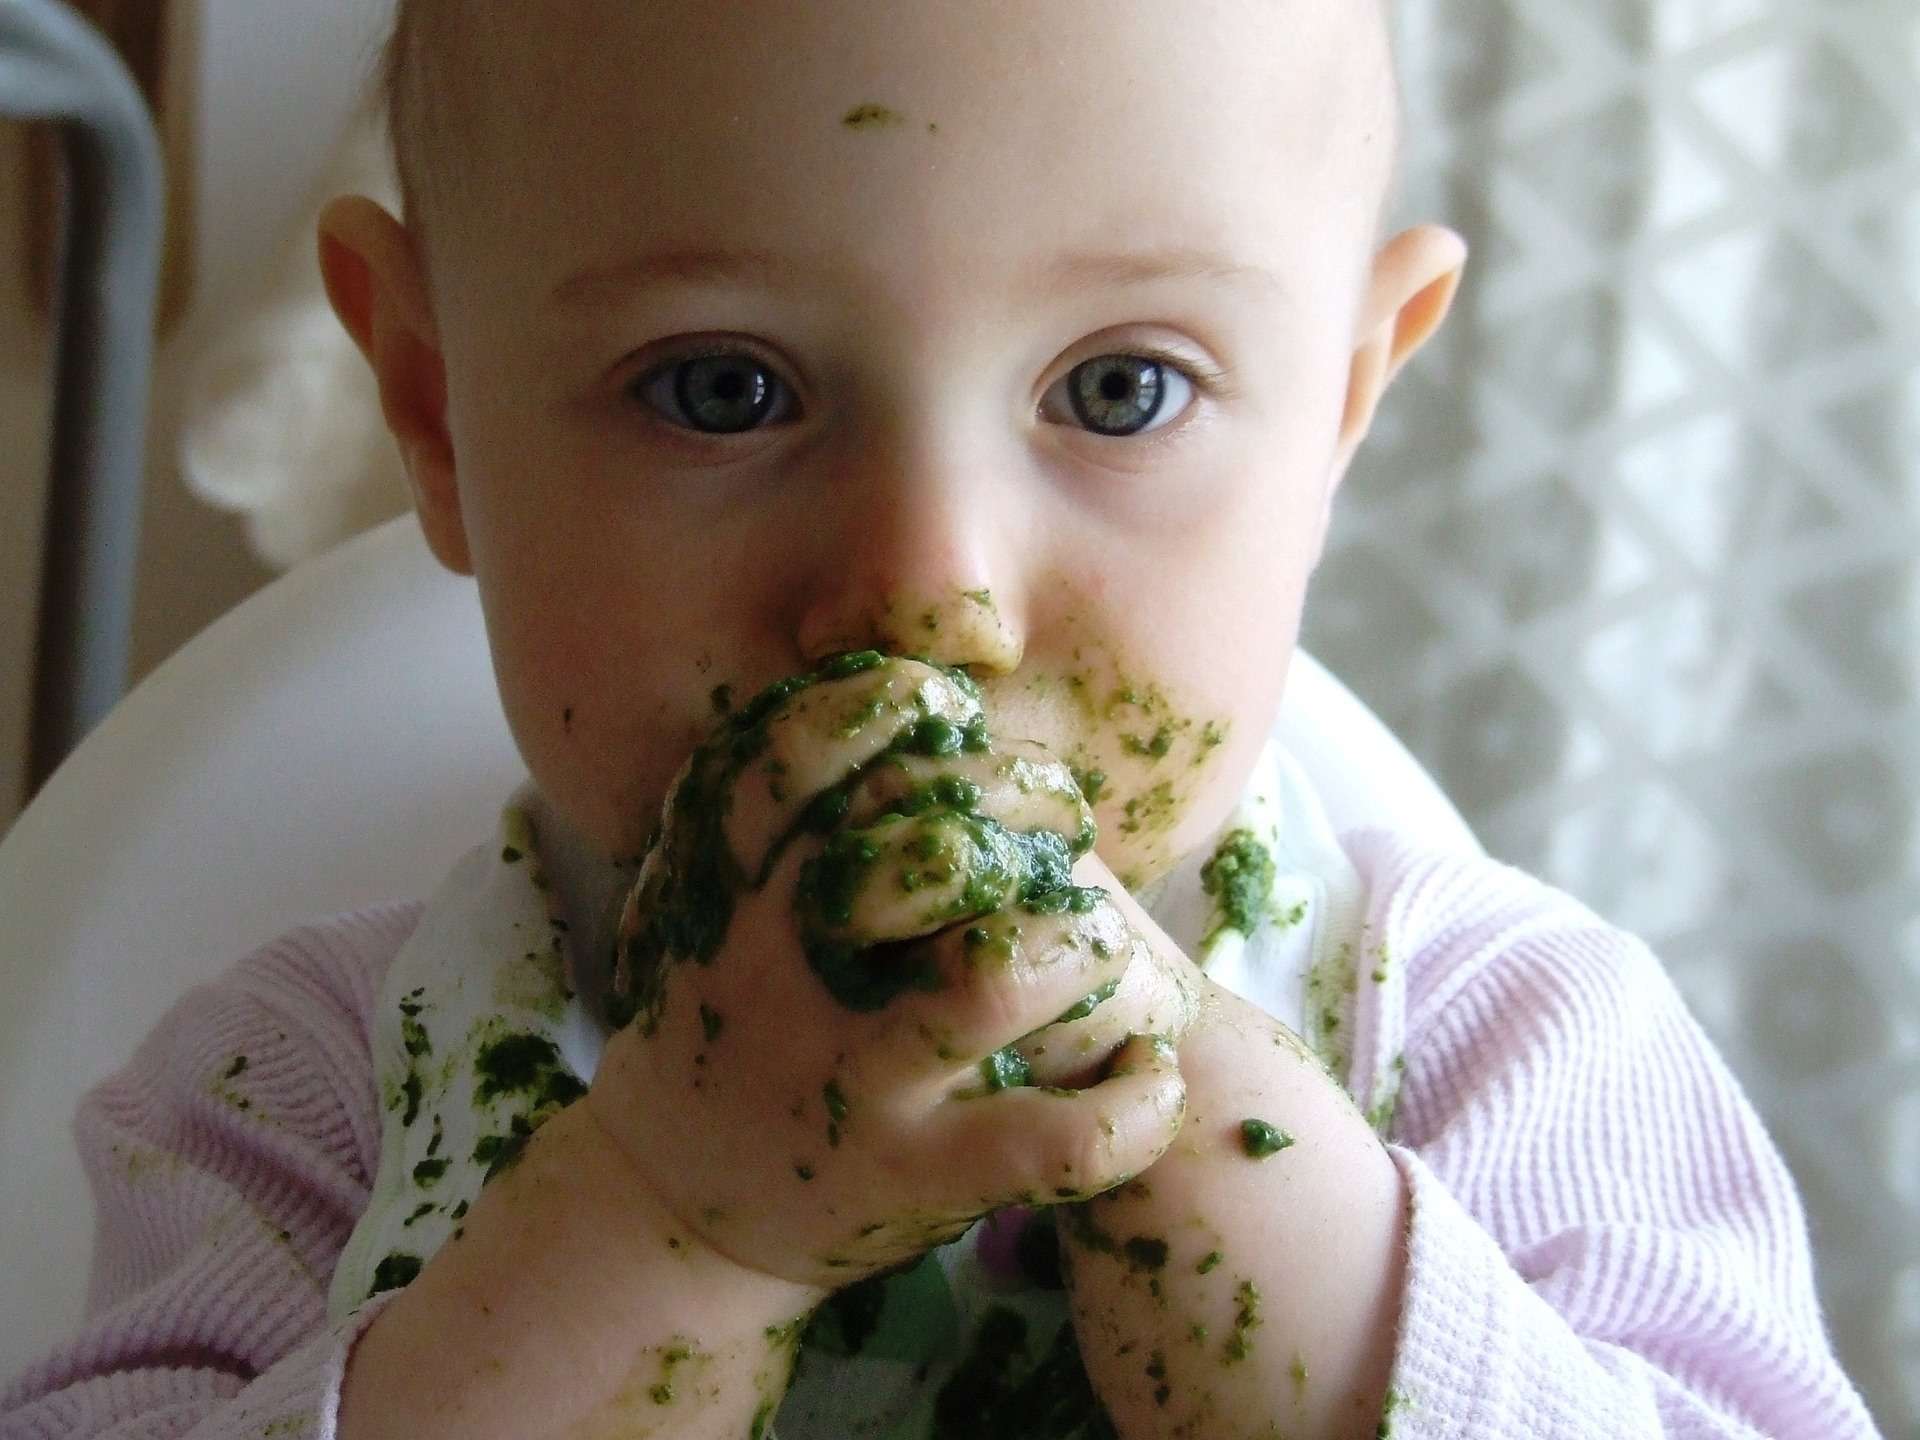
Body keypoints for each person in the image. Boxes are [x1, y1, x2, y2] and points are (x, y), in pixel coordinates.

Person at [0, 3, 1884, 1438]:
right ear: (431, 407)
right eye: (725, 389)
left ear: (1337, 415)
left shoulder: (1513, 1054)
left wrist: (1247, 1203)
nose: (928, 589)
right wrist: (663, 1222)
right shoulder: (283, 1109)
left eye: (1125, 385)